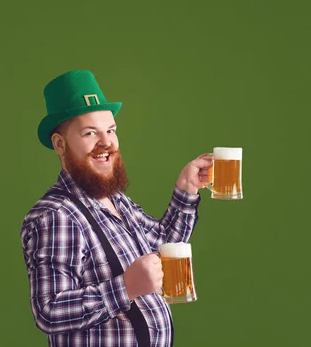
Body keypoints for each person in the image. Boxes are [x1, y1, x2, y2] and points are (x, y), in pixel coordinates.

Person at [20, 69, 212, 347]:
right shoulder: (56, 215)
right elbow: (49, 311)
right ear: (60, 144)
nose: (107, 142)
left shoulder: (116, 199)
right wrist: (126, 287)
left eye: (110, 130)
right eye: (90, 133)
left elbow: (163, 248)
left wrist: (187, 188)